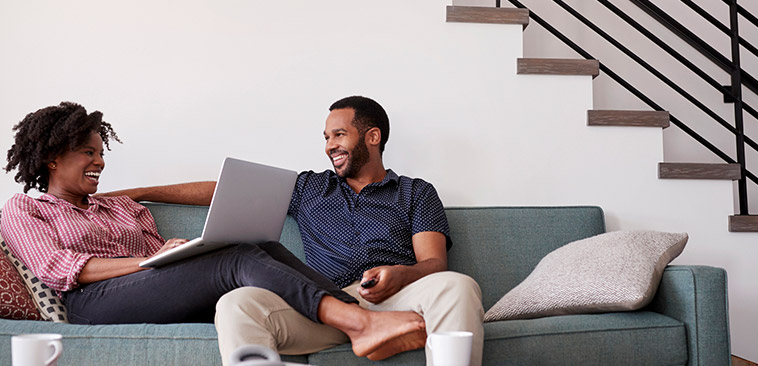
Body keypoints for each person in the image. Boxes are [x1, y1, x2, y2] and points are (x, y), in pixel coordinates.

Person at [0, 102, 428, 361]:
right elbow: (60, 269)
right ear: (53, 158)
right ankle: (360, 324)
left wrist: (174, 252)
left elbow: (159, 260)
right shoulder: (25, 208)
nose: (100, 162)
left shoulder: (124, 208)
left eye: (100, 152)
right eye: (86, 153)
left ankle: (360, 314)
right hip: (92, 305)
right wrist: (148, 261)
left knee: (258, 244)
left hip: (149, 292)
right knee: (237, 259)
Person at [110, 96, 485, 366]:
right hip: (326, 304)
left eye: (338, 135)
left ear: (372, 137)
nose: (329, 146)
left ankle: (383, 330)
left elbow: (434, 263)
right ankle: (360, 329)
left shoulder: (416, 192)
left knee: (458, 286)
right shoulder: (308, 188)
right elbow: (221, 189)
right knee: (235, 304)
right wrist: (140, 193)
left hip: (398, 300)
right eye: (325, 137)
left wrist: (404, 273)